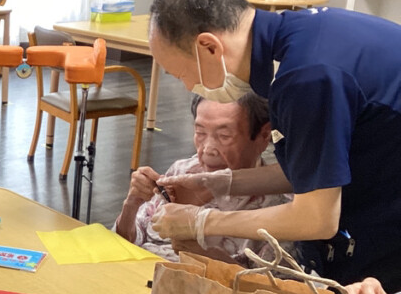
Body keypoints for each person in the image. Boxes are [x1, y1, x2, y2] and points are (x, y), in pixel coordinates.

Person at [146, 0, 401, 289]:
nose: (187, 86)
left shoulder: (305, 78)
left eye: (180, 73)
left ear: (209, 47)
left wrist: (201, 222)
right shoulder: (297, 39)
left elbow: (317, 218)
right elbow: (311, 171)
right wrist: (216, 183)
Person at [114, 93, 289, 265]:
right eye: (200, 133)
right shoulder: (183, 171)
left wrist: (204, 255)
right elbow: (125, 241)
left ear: (264, 135)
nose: (208, 149)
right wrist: (131, 204)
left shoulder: (280, 208)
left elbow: (270, 282)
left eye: (224, 136)